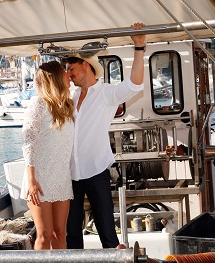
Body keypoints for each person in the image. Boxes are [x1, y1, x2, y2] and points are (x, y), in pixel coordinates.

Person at [63, 22, 147, 249]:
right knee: (71, 232)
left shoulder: (106, 94)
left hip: (96, 170)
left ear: (85, 65)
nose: (68, 74)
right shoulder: (69, 96)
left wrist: (139, 48)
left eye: (71, 68)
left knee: (107, 230)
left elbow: (135, 84)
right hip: (69, 173)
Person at [20, 61, 75, 250]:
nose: (69, 75)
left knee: (60, 233)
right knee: (44, 234)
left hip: (61, 177)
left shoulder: (67, 106)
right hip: (40, 179)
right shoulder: (38, 103)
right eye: (65, 72)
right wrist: (31, 180)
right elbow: (28, 142)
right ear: (55, 78)